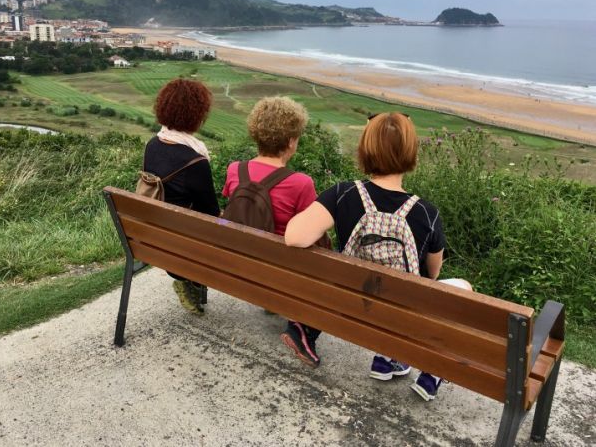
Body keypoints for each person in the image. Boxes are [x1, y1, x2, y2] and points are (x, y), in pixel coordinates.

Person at [284, 112, 472, 401]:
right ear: (411, 152)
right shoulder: (427, 213)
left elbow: (294, 237)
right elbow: (432, 276)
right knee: (463, 289)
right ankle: (429, 370)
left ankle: (388, 359)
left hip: (349, 307)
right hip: (400, 318)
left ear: (365, 149)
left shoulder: (343, 194)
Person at [222, 97, 322, 367]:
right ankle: (302, 327)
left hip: (236, 264)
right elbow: (311, 234)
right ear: (290, 141)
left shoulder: (235, 170)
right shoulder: (301, 183)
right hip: (277, 274)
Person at [143, 78, 220, 315]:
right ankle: (189, 278)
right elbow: (212, 214)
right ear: (197, 115)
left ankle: (191, 282)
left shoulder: (152, 144)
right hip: (183, 245)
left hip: (153, 237)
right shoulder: (195, 161)